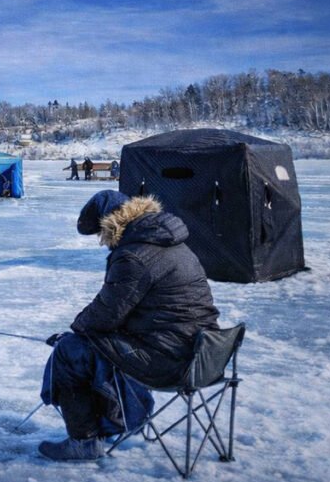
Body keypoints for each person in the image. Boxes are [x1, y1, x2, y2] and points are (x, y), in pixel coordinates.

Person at [38, 190, 220, 461]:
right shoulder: (171, 242)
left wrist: (74, 331)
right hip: (206, 355)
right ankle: (109, 420)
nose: (102, 242)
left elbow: (106, 314)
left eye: (100, 234)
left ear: (110, 224)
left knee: (69, 351)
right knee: (90, 346)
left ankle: (84, 441)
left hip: (170, 360)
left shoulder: (134, 255)